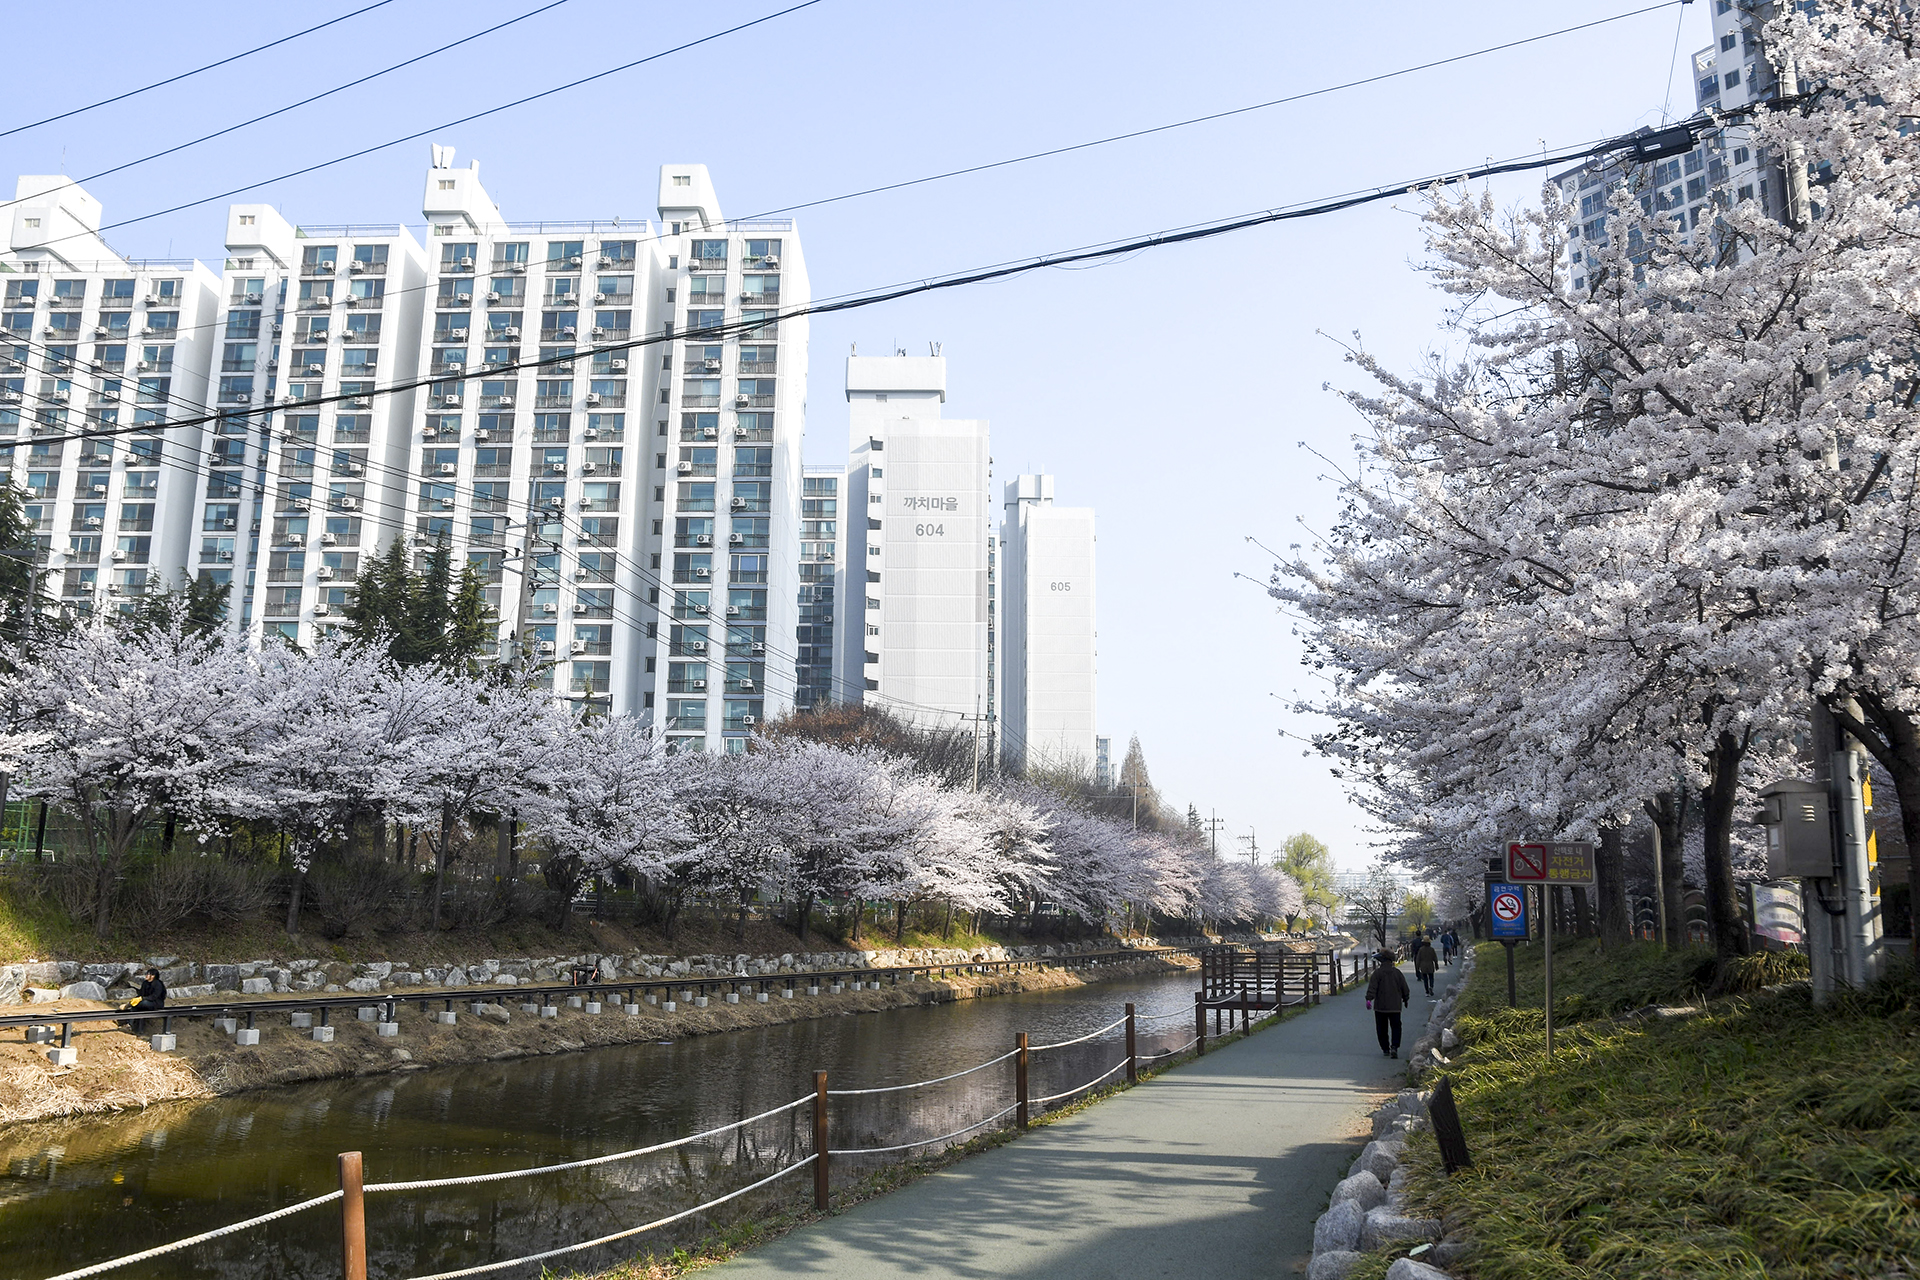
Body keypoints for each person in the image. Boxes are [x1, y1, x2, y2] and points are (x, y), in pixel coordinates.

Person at [1364, 949, 1410, 1059]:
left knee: (1381, 1028)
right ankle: (1394, 1046)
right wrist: (1405, 998)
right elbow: (1404, 988)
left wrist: (1369, 999)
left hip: (1380, 1006)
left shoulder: (1377, 973)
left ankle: (1385, 1048)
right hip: (1395, 1006)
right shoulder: (1397, 973)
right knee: (1396, 1027)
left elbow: (1372, 988)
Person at [122, 967, 167, 1034]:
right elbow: (141, 994)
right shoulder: (145, 983)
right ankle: (129, 1025)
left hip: (156, 1003)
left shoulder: (158, 984)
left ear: (153, 976)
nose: (146, 975)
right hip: (146, 1002)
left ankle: (133, 1026)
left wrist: (142, 999)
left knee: (142, 1003)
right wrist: (134, 1000)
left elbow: (154, 997)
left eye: (148, 974)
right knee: (136, 1007)